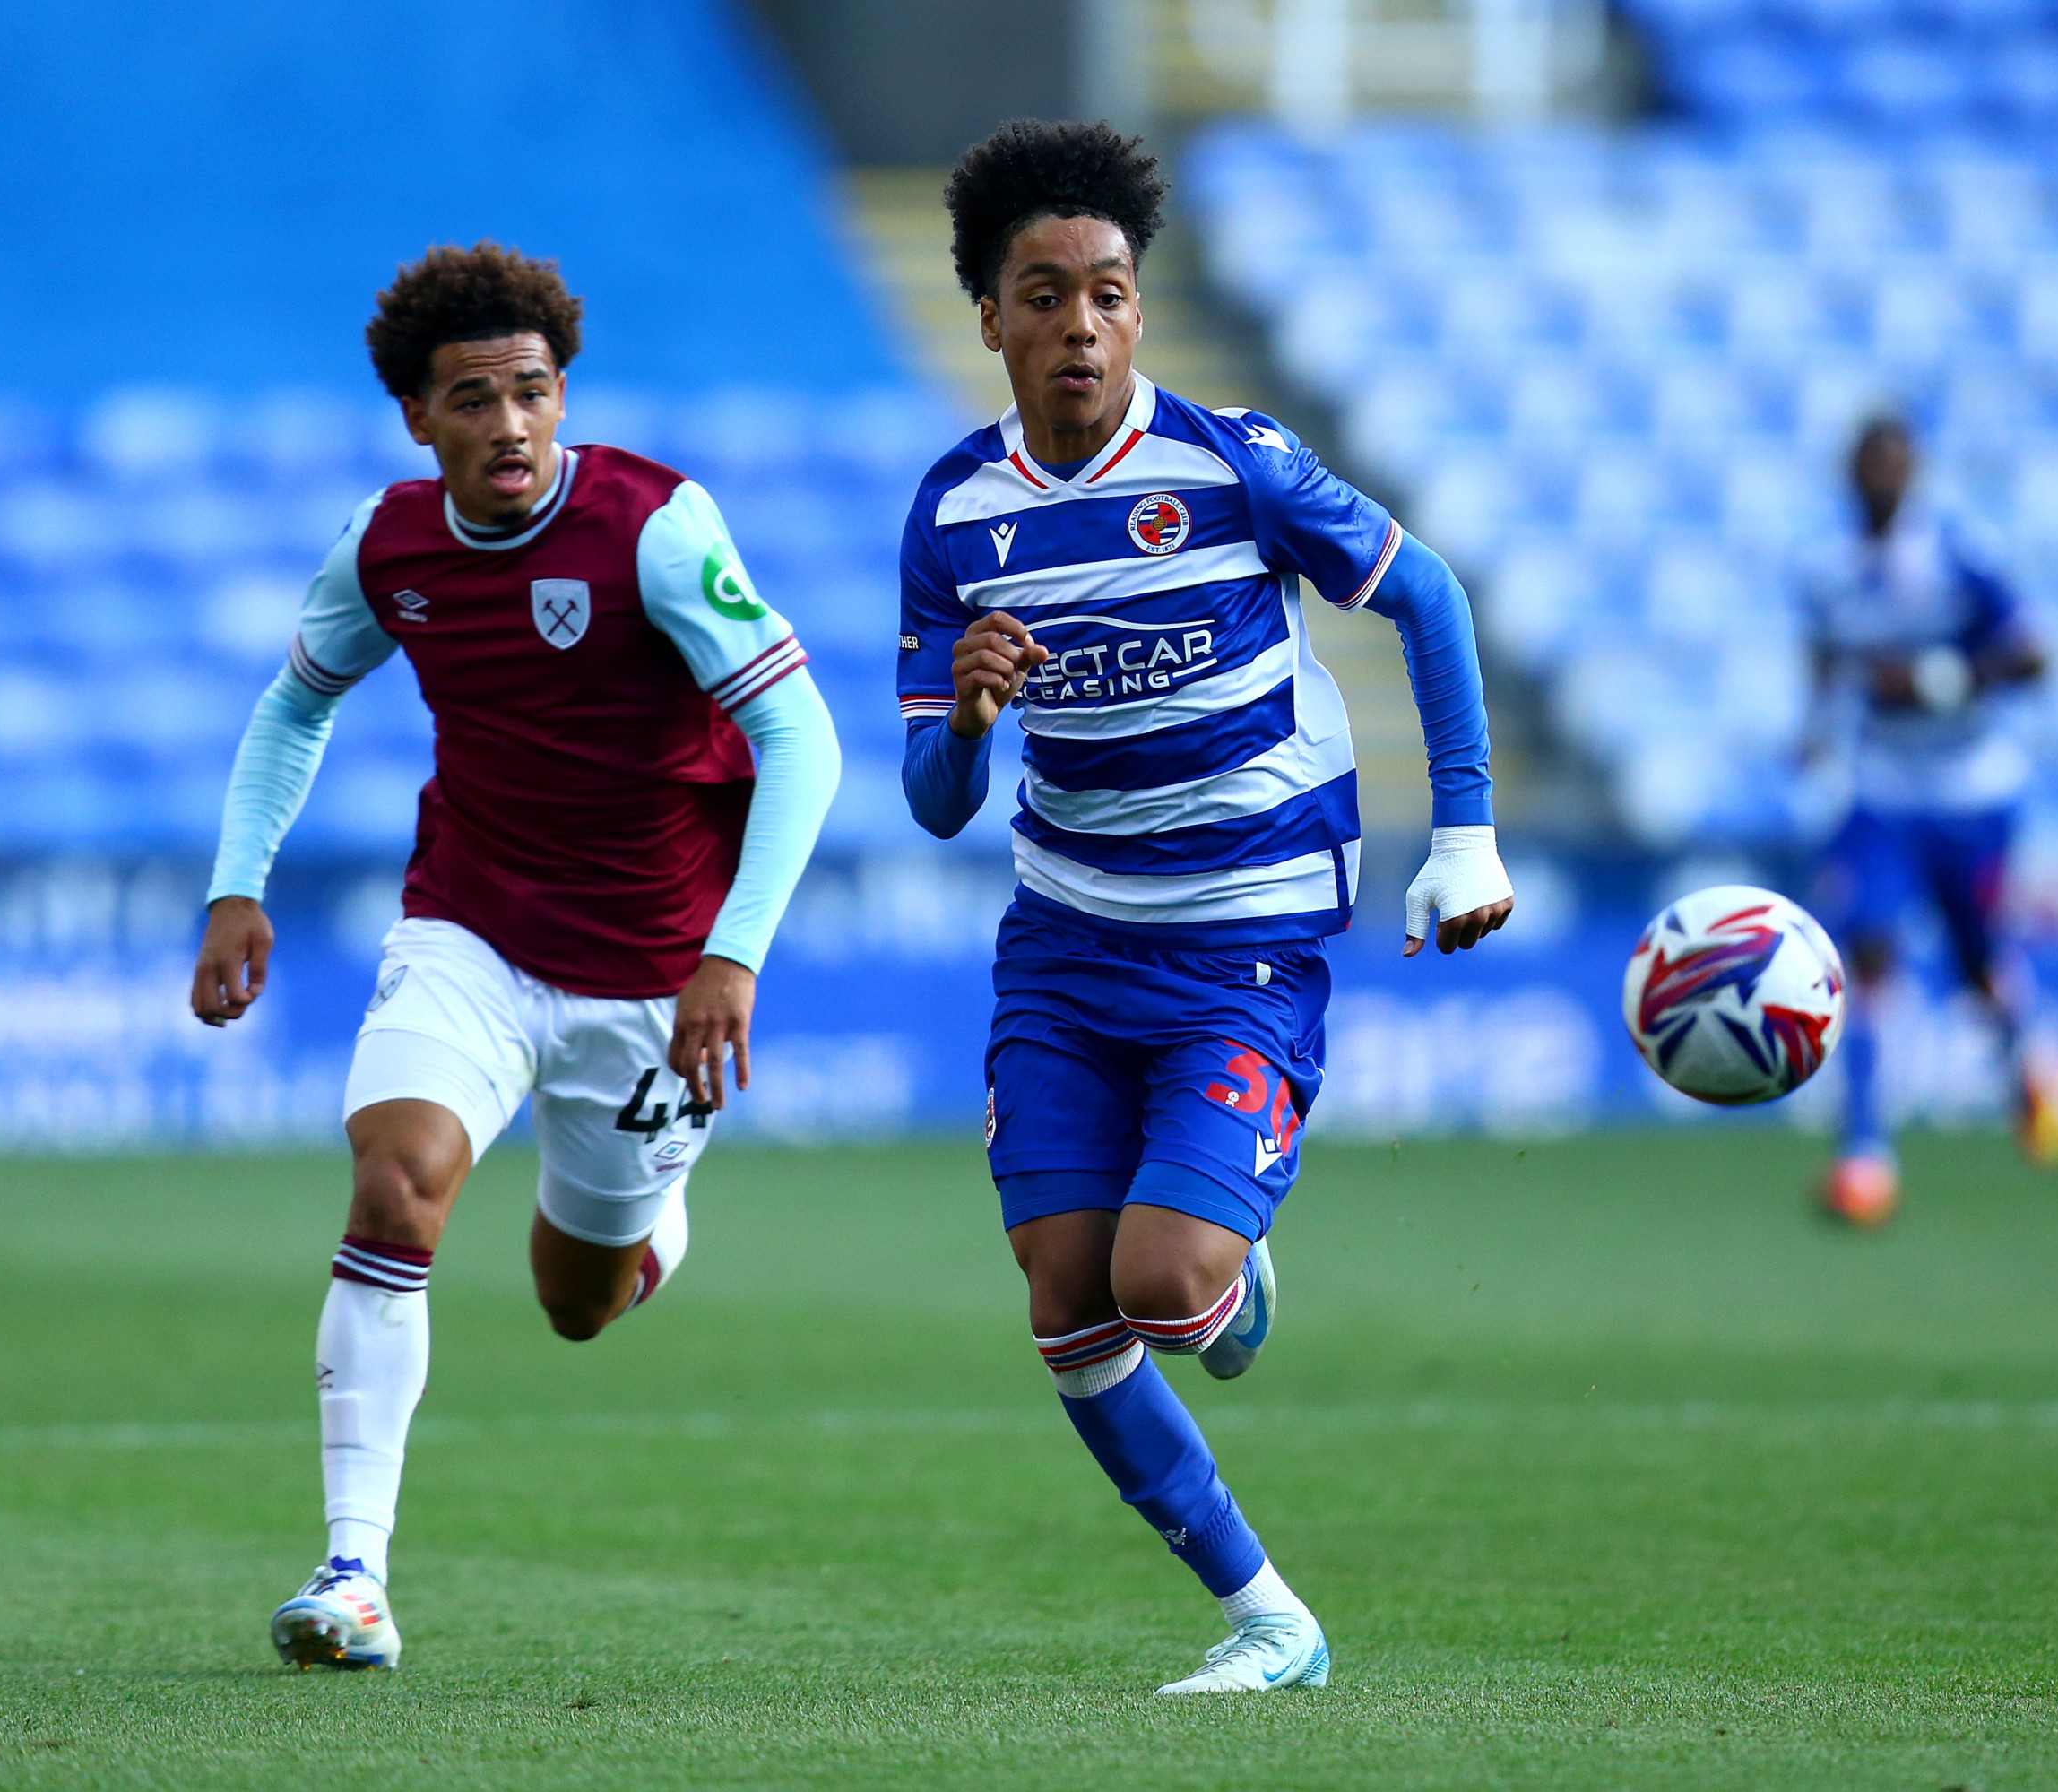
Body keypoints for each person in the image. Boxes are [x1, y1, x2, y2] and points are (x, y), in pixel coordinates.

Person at [897, 122, 1512, 1694]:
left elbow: (1425, 591)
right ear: (991, 318)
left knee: (1161, 1284)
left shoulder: (1230, 460)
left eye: (1109, 290)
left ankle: (1223, 1267)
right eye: (1045, 294)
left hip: (1244, 921)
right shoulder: (955, 520)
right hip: (1063, 934)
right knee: (1062, 1287)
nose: (1082, 323)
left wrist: (1465, 829)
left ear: (1138, 309)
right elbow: (933, 799)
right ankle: (1269, 1615)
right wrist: (965, 718)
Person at [189, 243, 840, 1668]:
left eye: (531, 392)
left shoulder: (656, 527)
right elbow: (292, 706)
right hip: (469, 933)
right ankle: (354, 1574)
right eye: (470, 399)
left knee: (576, 1300)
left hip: (655, 981)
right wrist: (239, 883)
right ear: (418, 422)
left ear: (564, 395)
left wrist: (731, 958)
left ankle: (651, 1221)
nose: (507, 426)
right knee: (396, 1183)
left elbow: (802, 735)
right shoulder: (388, 546)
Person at [1796, 416, 2058, 1228]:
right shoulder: (1825, 566)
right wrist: (1814, 729)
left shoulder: (1955, 551)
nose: (1881, 478)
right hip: (1881, 789)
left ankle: (2027, 1060)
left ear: (1912, 472)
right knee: (1868, 950)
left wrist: (1942, 676)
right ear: (1850, 474)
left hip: (1971, 793)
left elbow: (2032, 656)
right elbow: (1823, 653)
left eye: (1893, 464)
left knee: (1977, 966)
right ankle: (1863, 1153)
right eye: (1867, 464)